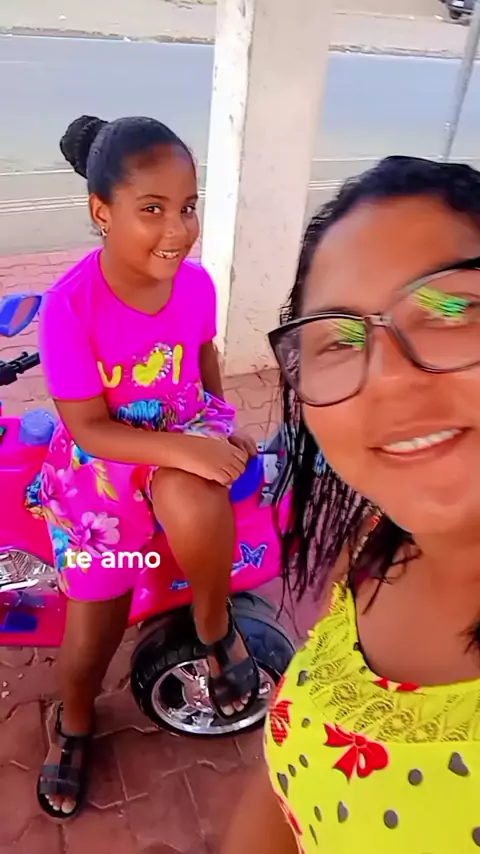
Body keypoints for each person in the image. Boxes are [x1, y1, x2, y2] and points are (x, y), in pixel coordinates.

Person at [222, 155, 480, 853]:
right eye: (338, 338)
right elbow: (287, 785)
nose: (387, 378)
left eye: (451, 309)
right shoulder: (372, 544)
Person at [30, 114, 260, 819]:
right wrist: (187, 449)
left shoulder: (195, 285)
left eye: (188, 207)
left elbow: (203, 354)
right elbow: (88, 427)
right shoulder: (70, 308)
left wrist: (220, 420)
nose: (178, 230)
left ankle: (214, 627)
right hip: (105, 461)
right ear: (102, 211)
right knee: (95, 622)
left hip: (179, 425)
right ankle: (73, 721)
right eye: (152, 209)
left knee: (196, 496)